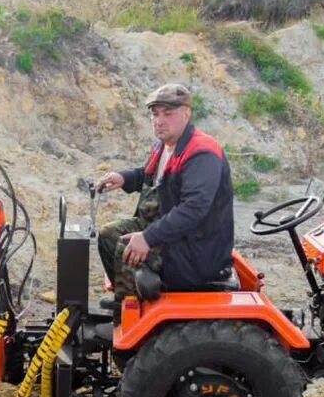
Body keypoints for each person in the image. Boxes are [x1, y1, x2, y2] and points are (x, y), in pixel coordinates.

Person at [95, 83, 234, 301]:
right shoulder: (165, 145)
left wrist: (148, 238)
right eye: (155, 114)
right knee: (108, 234)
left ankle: (130, 315)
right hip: (174, 234)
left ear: (186, 114)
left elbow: (194, 208)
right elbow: (152, 176)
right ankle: (128, 296)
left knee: (126, 245)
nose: (159, 120)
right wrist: (125, 178)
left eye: (168, 113)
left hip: (195, 249)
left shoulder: (202, 153)